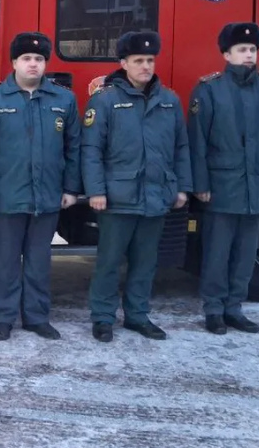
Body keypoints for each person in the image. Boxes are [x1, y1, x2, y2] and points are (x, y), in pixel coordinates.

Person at [81, 30, 192, 343]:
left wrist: (182, 187)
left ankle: (138, 316)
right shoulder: (105, 100)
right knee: (109, 262)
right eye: (138, 60)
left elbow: (181, 148)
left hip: (156, 195)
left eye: (150, 60)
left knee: (145, 262)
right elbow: (91, 149)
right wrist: (96, 191)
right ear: (124, 63)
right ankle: (103, 318)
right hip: (117, 197)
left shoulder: (169, 101)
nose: (145, 66)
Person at [0, 32, 81, 341]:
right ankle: (4, 317)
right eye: (26, 58)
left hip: (48, 194)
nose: (33, 64)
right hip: (6, 194)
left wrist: (71, 188)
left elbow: (74, 147)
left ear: (46, 63)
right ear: (14, 62)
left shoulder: (64, 99)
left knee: (39, 261)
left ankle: (36, 317)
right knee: (6, 262)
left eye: (39, 59)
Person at [188, 23, 259, 335]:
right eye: (242, 50)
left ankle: (234, 308)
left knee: (245, 254)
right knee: (217, 253)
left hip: (254, 185)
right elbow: (197, 142)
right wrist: (200, 184)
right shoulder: (209, 89)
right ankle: (213, 310)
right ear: (226, 54)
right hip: (221, 186)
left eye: (252, 49)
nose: (248, 55)